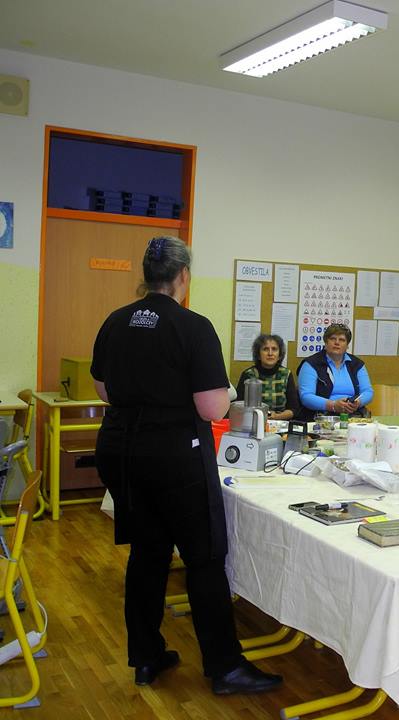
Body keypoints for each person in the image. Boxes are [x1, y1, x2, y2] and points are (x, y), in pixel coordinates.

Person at [91, 236, 282, 694]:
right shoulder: (192, 326)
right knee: (204, 558)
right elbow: (213, 407)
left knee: (147, 552)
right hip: (175, 454)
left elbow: (103, 389)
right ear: (183, 276)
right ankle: (225, 667)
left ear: (146, 275)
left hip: (120, 451)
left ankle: (146, 657)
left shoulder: (116, 321)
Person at [297, 323, 373, 419]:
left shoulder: (357, 364)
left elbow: (368, 391)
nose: (337, 342)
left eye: (342, 340)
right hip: (321, 417)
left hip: (353, 415)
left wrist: (358, 403)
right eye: (333, 338)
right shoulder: (311, 364)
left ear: (347, 345)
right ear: (326, 342)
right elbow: (306, 397)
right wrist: (333, 405)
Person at [236, 333, 300, 421]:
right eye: (265, 349)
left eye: (274, 349)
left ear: (279, 355)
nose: (270, 353)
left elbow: (294, 410)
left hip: (280, 423)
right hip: (253, 422)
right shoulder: (248, 375)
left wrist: (277, 416)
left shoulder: (286, 374)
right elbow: (238, 406)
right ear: (258, 355)